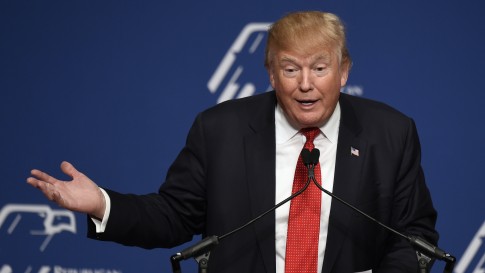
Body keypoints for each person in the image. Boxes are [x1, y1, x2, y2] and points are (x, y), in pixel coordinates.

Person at [27, 11, 438, 273]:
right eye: (291, 69)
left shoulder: (390, 133)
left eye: (320, 67)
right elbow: (173, 215)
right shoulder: (219, 129)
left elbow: (414, 236)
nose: (306, 84)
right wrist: (102, 203)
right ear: (271, 74)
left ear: (344, 71)